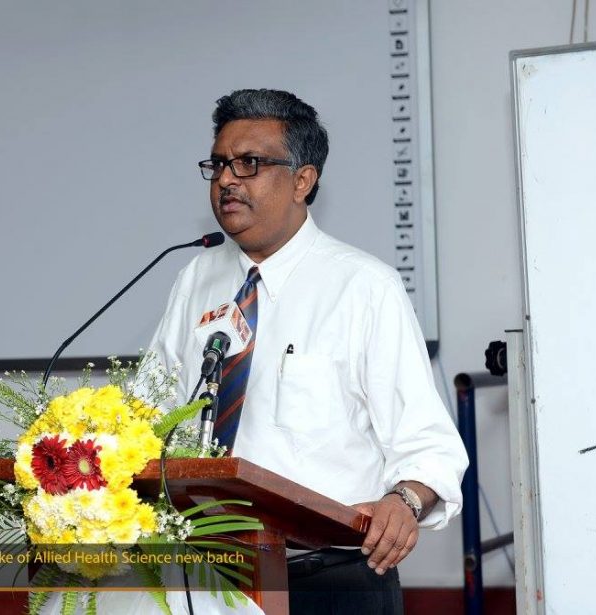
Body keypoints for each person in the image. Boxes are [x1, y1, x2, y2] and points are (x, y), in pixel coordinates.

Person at [146, 89, 468, 614]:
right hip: (206, 578)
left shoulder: (364, 287)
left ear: (302, 180)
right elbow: (148, 412)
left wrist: (404, 501)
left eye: (249, 163)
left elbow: (429, 444)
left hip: (328, 582)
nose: (227, 179)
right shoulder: (195, 279)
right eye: (219, 164)